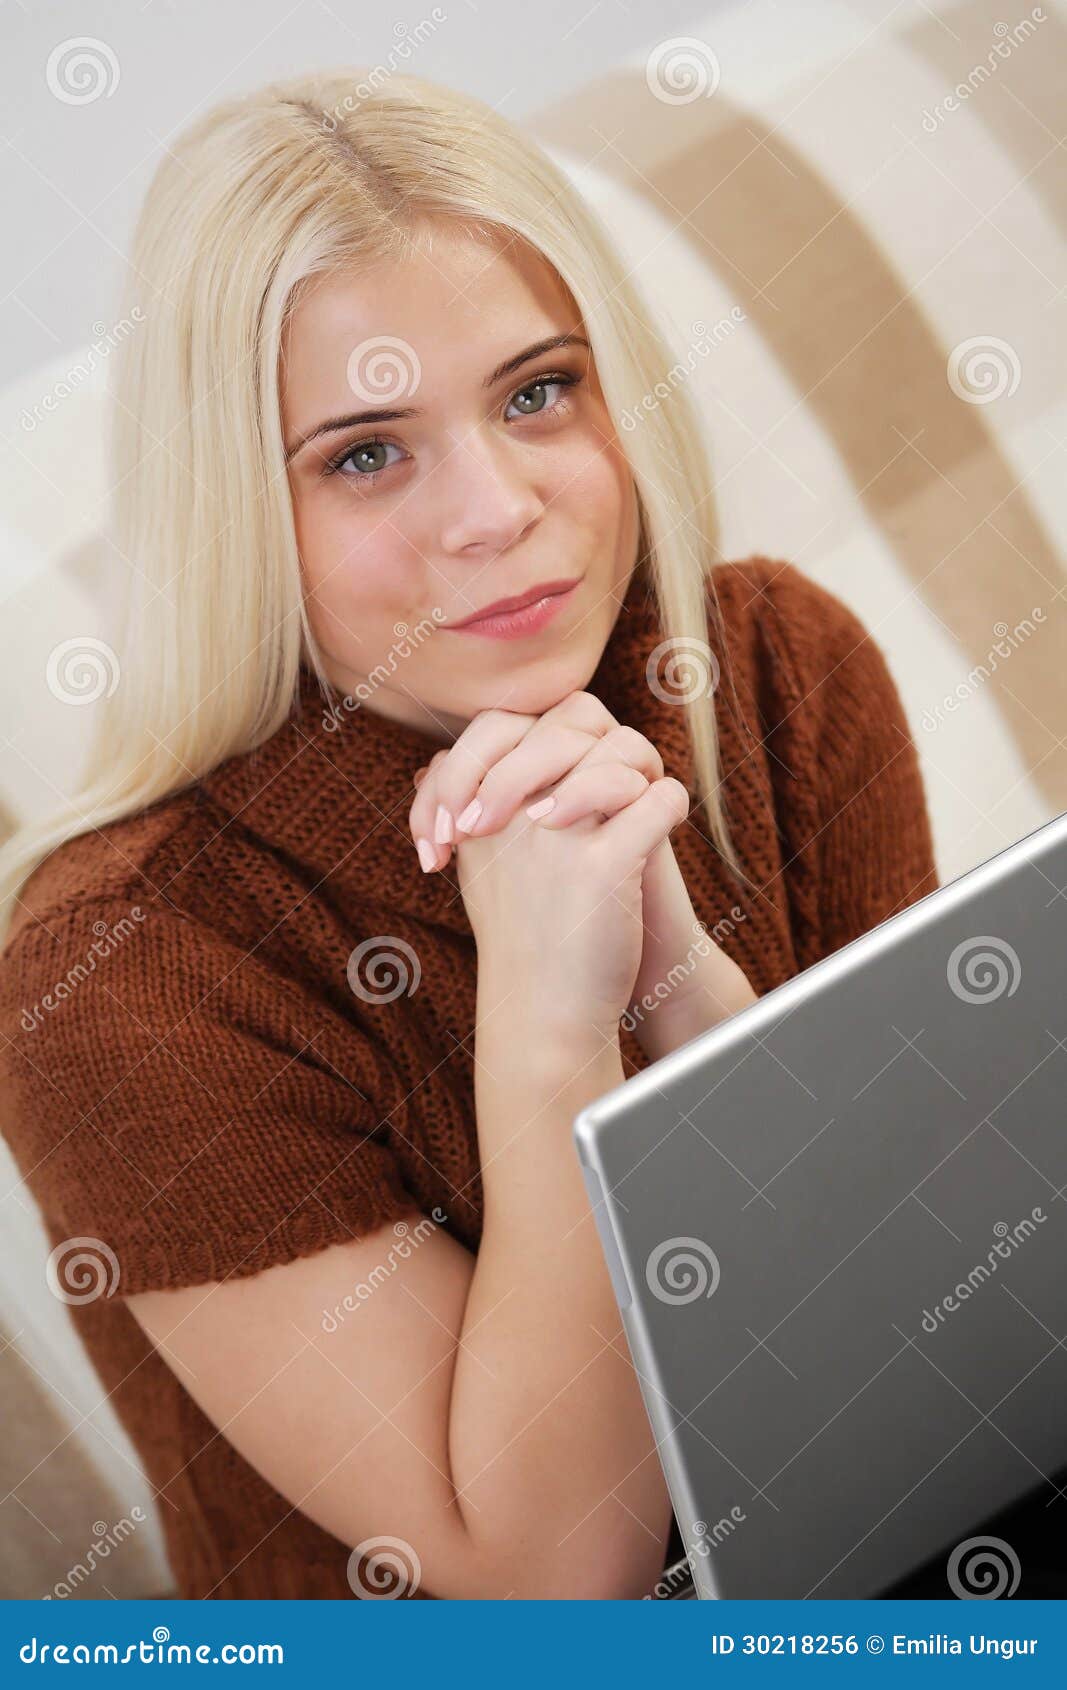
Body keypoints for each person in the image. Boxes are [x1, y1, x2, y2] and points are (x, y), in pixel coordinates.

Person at [0, 69, 944, 1600]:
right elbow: (557, 1582)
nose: (496, 509)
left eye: (535, 392)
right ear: (238, 511)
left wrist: (687, 998)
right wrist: (553, 1030)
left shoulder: (774, 671)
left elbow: (943, 1331)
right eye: (366, 453)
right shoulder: (116, 978)